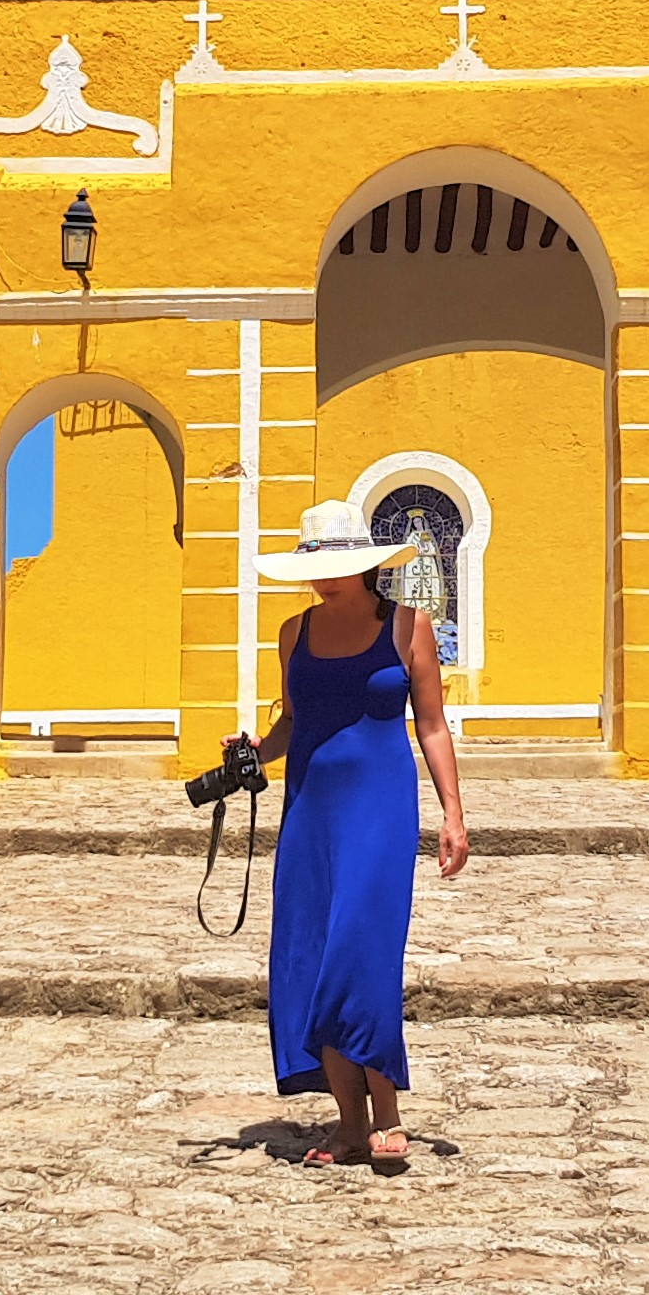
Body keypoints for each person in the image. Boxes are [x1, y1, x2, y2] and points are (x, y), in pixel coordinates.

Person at [235, 498, 469, 1172]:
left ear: (365, 566)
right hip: (310, 810)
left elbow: (430, 725)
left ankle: (387, 1114)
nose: (324, 578)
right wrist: (253, 747)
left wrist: (453, 815)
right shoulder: (293, 632)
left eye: (337, 564)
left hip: (381, 808)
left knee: (359, 955)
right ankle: (347, 1123)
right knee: (310, 959)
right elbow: (289, 726)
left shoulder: (406, 626)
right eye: (316, 566)